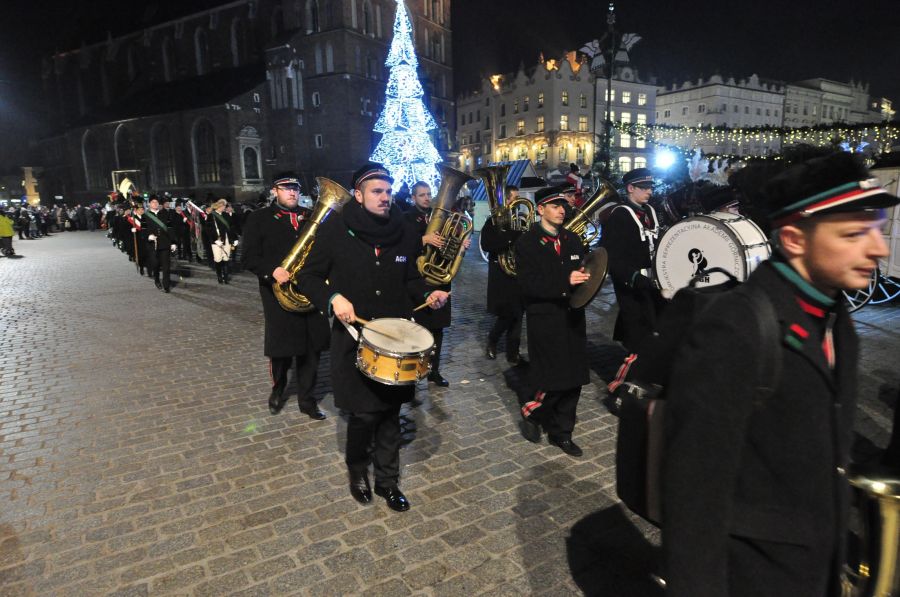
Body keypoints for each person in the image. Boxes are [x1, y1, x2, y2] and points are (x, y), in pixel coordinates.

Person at [663, 152, 896, 597]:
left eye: (876, 230)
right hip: (755, 575)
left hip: (811, 567)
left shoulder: (836, 318)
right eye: (853, 234)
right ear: (793, 238)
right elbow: (695, 493)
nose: (879, 249)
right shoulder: (736, 325)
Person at [296, 162, 449, 512]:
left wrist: (429, 293)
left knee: (390, 414)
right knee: (364, 415)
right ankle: (357, 472)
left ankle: (387, 481)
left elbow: (410, 278)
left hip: (395, 342)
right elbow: (308, 277)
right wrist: (333, 298)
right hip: (353, 338)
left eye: (388, 191)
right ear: (360, 194)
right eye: (377, 191)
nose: (384, 197)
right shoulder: (335, 230)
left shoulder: (405, 231)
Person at [242, 173, 331, 420]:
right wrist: (272, 271)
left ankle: (308, 401)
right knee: (281, 350)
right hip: (277, 294)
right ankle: (278, 389)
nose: (292, 192)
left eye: (296, 188)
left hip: (309, 293)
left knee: (311, 351)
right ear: (275, 191)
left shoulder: (310, 217)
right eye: (286, 188)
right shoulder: (258, 219)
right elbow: (248, 257)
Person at [515, 186, 591, 457]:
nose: (562, 209)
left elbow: (582, 271)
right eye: (555, 205)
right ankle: (532, 411)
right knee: (552, 377)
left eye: (563, 205)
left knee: (576, 378)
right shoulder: (527, 242)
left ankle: (563, 433)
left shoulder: (572, 239)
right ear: (540, 210)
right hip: (545, 318)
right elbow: (527, 285)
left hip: (572, 317)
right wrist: (565, 282)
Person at [404, 180, 469, 387]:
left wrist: (460, 245)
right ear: (413, 197)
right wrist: (424, 240)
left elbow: (450, 244)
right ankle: (411, 373)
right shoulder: (405, 218)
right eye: (422, 195)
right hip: (418, 281)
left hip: (439, 282)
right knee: (416, 331)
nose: (426, 198)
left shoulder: (442, 218)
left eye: (429, 194)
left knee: (438, 329)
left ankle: (434, 370)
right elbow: (401, 248)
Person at [600, 167, 664, 352]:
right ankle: (635, 373)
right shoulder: (619, 215)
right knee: (638, 331)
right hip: (633, 284)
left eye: (650, 187)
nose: (650, 191)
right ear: (630, 188)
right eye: (644, 187)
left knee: (656, 328)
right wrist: (634, 278)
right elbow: (611, 256)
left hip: (654, 282)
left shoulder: (651, 211)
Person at [479, 185, 526, 365]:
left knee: (518, 313)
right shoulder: (492, 222)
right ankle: (492, 340)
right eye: (513, 198)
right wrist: (511, 236)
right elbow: (487, 244)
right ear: (505, 200)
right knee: (507, 314)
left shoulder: (520, 220)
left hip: (519, 272)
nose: (516, 202)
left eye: (517, 198)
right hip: (501, 272)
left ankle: (513, 352)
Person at [142, 195, 177, 292]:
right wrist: (148, 236)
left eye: (156, 202)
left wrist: (173, 242)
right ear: (149, 204)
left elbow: (170, 229)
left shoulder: (165, 214)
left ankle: (166, 285)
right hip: (153, 245)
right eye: (153, 202)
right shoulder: (145, 216)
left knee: (166, 266)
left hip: (165, 243)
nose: (155, 204)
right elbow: (143, 231)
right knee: (156, 264)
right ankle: (157, 279)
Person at [205, 199, 239, 284]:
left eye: (225, 206)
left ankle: (226, 277)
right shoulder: (211, 216)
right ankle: (219, 276)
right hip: (217, 241)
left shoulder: (226, 215)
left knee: (226, 258)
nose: (224, 207)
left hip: (227, 240)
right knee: (218, 259)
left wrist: (235, 238)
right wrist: (215, 240)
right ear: (219, 206)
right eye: (223, 206)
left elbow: (231, 228)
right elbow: (209, 230)